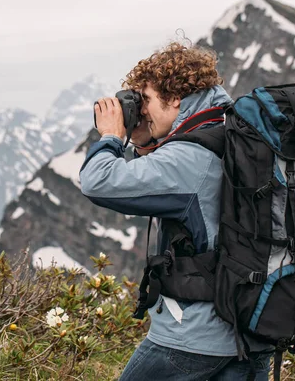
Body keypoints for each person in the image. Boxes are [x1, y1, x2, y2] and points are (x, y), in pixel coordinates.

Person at [79, 41, 273, 380]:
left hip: (193, 338)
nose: (139, 110)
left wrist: (112, 136)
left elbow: (99, 182)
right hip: (252, 335)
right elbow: (169, 180)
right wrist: (143, 139)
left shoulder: (190, 157)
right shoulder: (233, 135)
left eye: (146, 100)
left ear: (175, 98)